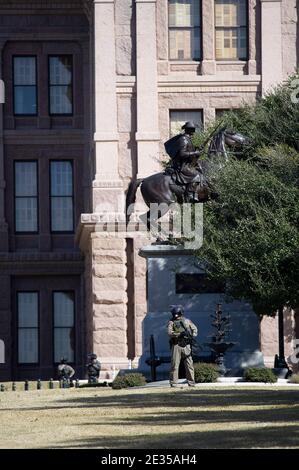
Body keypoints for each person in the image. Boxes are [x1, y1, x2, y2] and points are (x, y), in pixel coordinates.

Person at [164, 121, 204, 203]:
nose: (193, 131)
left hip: (187, 164)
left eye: (193, 129)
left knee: (201, 169)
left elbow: (189, 150)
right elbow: (182, 154)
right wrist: (195, 153)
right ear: (188, 130)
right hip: (182, 166)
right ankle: (190, 194)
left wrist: (197, 148)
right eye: (192, 129)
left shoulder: (188, 139)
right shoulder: (183, 139)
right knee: (196, 175)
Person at [167, 305, 198, 387]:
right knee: (174, 365)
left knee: (189, 365)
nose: (175, 316)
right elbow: (169, 333)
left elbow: (195, 329)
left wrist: (190, 335)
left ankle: (191, 382)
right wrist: (179, 334)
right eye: (174, 314)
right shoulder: (171, 322)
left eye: (176, 314)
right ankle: (173, 383)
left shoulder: (187, 321)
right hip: (176, 345)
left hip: (186, 345)